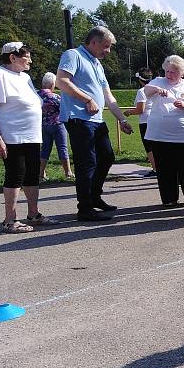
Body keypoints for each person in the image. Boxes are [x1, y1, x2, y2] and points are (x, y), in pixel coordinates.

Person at [57, 26, 133, 222]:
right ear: (94, 42)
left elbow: (108, 95)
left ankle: (94, 197)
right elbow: (62, 81)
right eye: (106, 46)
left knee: (106, 157)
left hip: (96, 121)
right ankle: (85, 208)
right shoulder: (73, 55)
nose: (108, 51)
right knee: (87, 164)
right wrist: (86, 99)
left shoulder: (97, 64)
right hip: (79, 118)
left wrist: (122, 119)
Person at [0, 42, 58, 233]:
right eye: (26, 56)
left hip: (32, 135)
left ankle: (33, 214)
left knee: (31, 174)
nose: (30, 60)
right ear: (12, 58)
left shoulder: (25, 77)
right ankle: (10, 220)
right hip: (13, 136)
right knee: (15, 175)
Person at [142, 55, 184, 207]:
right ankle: (169, 198)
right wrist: (157, 89)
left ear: (181, 72)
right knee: (165, 168)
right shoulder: (158, 81)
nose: (169, 75)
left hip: (183, 134)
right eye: (167, 71)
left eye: (173, 72)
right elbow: (146, 91)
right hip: (159, 135)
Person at [38, 71, 73, 181]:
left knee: (44, 150)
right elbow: (65, 110)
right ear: (52, 84)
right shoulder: (55, 97)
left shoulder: (37, 96)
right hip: (58, 125)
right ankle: (68, 173)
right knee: (62, 148)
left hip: (43, 126)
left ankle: (41, 173)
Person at [124, 68, 156, 176]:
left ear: (140, 80)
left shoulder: (142, 91)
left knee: (149, 147)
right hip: (157, 119)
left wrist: (129, 112)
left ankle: (155, 169)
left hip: (146, 121)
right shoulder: (156, 89)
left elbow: (140, 109)